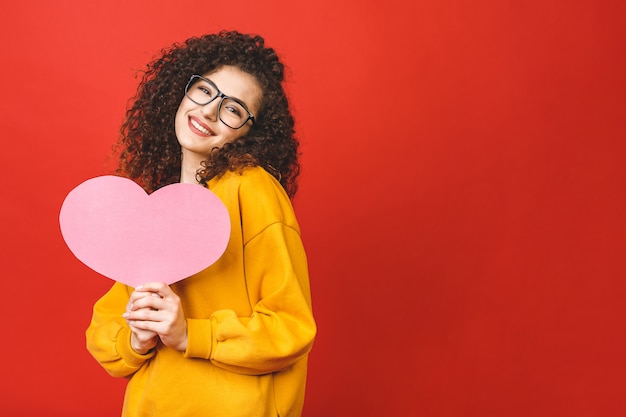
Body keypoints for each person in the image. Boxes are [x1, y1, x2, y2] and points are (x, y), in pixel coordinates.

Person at [85, 31, 316, 417]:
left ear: (250, 133)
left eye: (233, 109)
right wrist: (136, 339)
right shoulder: (162, 205)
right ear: (182, 90)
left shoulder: (251, 188)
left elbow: (291, 327)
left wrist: (192, 334)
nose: (209, 111)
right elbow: (108, 328)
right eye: (205, 90)